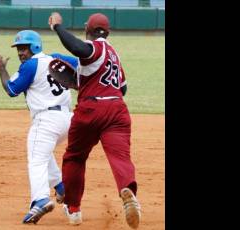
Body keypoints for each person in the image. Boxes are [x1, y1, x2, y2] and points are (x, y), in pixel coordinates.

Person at [48, 12, 141, 228]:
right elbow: (122, 88)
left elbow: (79, 49)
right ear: (107, 32)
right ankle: (127, 189)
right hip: (117, 110)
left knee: (75, 158)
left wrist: (57, 28)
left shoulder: (95, 47)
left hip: (90, 109)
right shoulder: (114, 54)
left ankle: (73, 209)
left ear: (87, 29)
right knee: (121, 157)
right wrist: (83, 81)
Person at [0, 30, 79, 224]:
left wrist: (1, 69)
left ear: (35, 47)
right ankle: (61, 187)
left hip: (47, 119)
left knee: (36, 159)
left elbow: (11, 89)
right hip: (67, 120)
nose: (20, 53)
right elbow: (82, 64)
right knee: (43, 151)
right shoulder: (56, 58)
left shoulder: (30, 66)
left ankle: (40, 200)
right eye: (19, 49)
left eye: (24, 48)